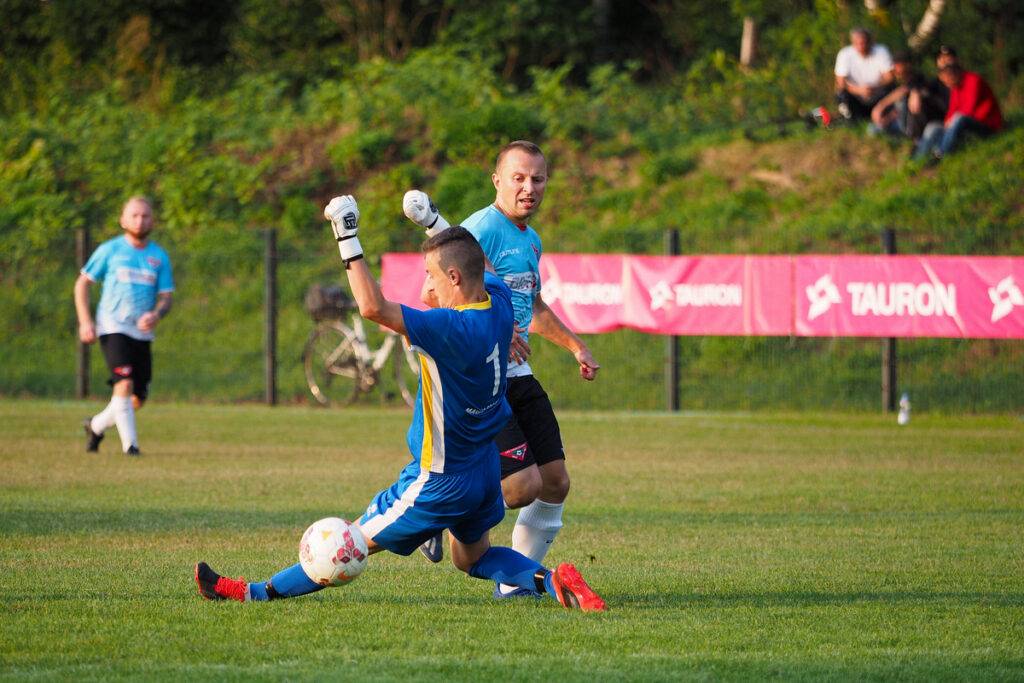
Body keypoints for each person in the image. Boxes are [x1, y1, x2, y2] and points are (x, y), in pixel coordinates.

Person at [194, 196, 606, 612]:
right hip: (484, 468)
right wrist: (435, 223)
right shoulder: (498, 301)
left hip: (441, 478)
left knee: (346, 544)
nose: (428, 286)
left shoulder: (450, 328)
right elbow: (481, 263)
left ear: (454, 276)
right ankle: (553, 580)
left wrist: (347, 234)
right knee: (472, 558)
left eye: (431, 275)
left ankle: (250, 592)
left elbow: (372, 306)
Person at [404, 141, 600, 600]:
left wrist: (575, 346)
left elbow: (532, 305)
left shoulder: (531, 239)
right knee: (519, 488)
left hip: (521, 374)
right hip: (487, 380)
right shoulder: (479, 229)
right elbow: (432, 294)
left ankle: (514, 585)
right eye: (518, 178)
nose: (529, 187)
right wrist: (494, 325)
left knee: (555, 482)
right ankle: (440, 503)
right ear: (497, 181)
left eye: (538, 179)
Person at [74, 196, 174, 456]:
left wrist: (156, 314)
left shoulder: (159, 256)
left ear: (152, 221)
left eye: (145, 216)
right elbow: (82, 284)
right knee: (124, 383)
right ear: (123, 220)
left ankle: (95, 426)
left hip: (142, 332)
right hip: (113, 326)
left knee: (137, 398)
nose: (139, 221)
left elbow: (166, 297)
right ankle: (131, 447)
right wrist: (85, 321)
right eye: (134, 215)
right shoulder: (111, 250)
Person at [913, 56, 1003, 162]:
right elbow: (952, 109)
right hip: (966, 124)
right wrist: (946, 122)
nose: (947, 84)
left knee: (959, 118)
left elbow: (968, 110)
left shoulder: (973, 80)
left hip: (988, 125)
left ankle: (940, 154)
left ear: (953, 74)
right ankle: (917, 159)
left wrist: (950, 123)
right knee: (933, 126)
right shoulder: (955, 87)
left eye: (947, 81)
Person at [870, 51, 947, 141]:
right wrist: (883, 110)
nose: (895, 68)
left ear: (908, 65)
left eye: (898, 65)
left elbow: (911, 98)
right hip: (902, 122)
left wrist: (882, 107)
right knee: (872, 129)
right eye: (894, 64)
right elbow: (901, 94)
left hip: (923, 126)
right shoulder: (900, 82)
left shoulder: (919, 80)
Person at [834, 27, 894, 121]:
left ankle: (886, 116)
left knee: (892, 88)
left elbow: (890, 77)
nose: (862, 46)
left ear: (870, 42)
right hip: (855, 95)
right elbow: (840, 82)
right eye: (858, 43)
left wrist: (874, 88)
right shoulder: (845, 54)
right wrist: (858, 90)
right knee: (841, 92)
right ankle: (850, 119)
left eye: (864, 43)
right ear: (853, 43)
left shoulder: (881, 51)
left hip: (878, 93)